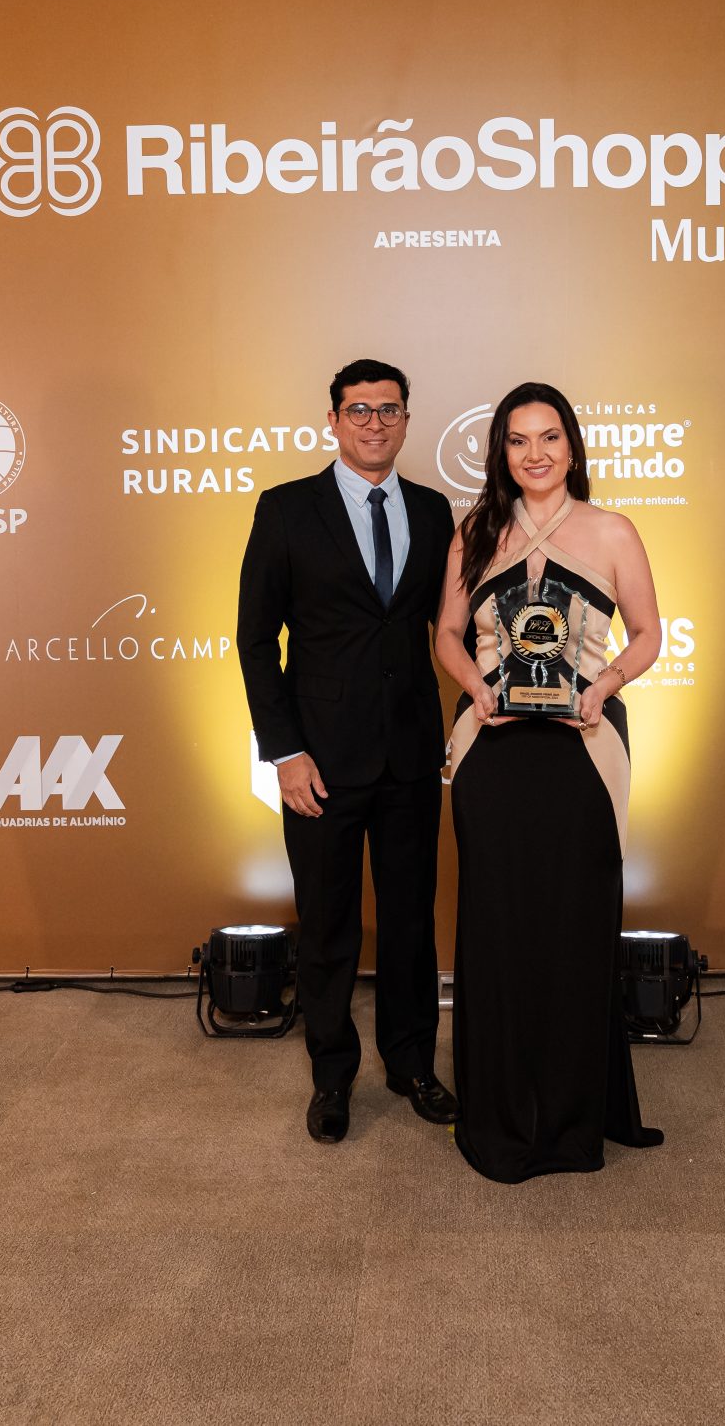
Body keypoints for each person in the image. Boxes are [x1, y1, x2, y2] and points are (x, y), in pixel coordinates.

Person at [434, 381, 665, 1182]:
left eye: (549, 437)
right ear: (501, 451)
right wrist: (475, 686)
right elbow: (449, 634)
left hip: (583, 750)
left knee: (575, 928)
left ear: (572, 445)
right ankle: (500, 1116)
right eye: (518, 439)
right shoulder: (475, 531)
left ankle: (571, 1120)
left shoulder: (612, 530)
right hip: (493, 751)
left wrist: (606, 685)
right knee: (498, 931)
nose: (535, 453)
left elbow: (649, 633)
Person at [237, 359, 460, 1143]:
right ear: (332, 420)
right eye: (358, 409)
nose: (374, 422)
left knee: (410, 924)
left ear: (407, 420)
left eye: (388, 409)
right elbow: (256, 640)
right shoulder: (286, 508)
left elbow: (453, 627)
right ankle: (331, 1078)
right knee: (327, 928)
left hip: (411, 757)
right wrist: (285, 752)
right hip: (320, 763)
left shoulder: (433, 511)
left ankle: (412, 1065)